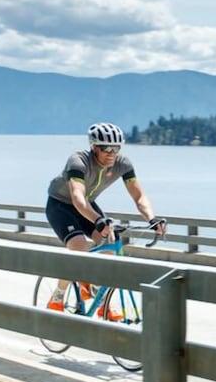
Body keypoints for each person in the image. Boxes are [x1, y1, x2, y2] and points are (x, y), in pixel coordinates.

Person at [44, 122, 167, 314]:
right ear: (94, 147)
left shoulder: (123, 164)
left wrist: (152, 219)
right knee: (79, 247)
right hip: (61, 205)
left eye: (116, 148)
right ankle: (58, 295)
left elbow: (139, 196)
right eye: (106, 148)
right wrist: (98, 220)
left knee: (110, 241)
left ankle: (102, 303)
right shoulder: (78, 161)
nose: (111, 153)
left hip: (87, 203)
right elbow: (77, 197)